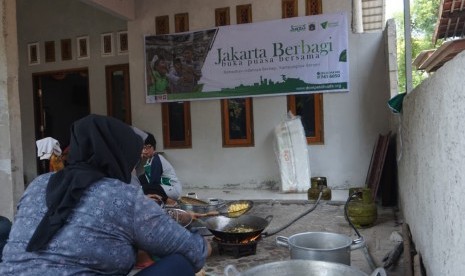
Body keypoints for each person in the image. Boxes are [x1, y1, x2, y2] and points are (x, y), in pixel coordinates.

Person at [0, 114, 210, 275]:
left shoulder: (37, 185)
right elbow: (193, 251)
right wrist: (205, 244)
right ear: (119, 154)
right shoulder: (123, 197)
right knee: (179, 263)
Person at [139, 132, 182, 205]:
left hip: (172, 188)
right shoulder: (149, 160)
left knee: (146, 188)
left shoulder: (156, 159)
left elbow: (154, 182)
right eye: (143, 148)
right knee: (141, 179)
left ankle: (169, 201)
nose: (144, 151)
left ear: (153, 147)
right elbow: (144, 179)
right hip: (164, 188)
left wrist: (142, 189)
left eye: (147, 147)